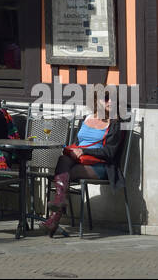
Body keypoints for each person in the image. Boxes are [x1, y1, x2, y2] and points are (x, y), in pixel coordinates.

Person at [41, 90, 124, 237]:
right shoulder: (86, 119)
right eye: (106, 99)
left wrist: (85, 152)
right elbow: (78, 143)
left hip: (101, 166)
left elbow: (110, 153)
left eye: (113, 99)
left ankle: (55, 214)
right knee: (63, 160)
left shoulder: (115, 123)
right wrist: (75, 151)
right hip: (79, 160)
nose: (111, 102)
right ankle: (59, 206)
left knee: (63, 173)